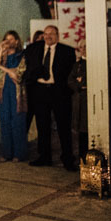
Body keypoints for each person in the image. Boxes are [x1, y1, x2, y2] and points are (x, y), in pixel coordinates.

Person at [23, 25, 77, 170]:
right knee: (42, 126)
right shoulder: (34, 49)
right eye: (46, 34)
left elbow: (71, 74)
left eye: (51, 34)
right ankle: (45, 157)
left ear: (58, 36)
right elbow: (27, 68)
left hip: (59, 92)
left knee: (63, 126)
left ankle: (67, 159)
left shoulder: (67, 51)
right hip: (40, 91)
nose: (48, 36)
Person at [0, 31, 27, 161]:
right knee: (5, 121)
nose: (9, 42)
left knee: (17, 122)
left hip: (17, 92)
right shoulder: (1, 54)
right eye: (6, 39)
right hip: (3, 91)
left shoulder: (22, 55)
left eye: (12, 39)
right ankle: (7, 153)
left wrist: (4, 69)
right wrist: (1, 52)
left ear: (17, 41)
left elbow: (18, 74)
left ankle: (19, 153)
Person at [68, 38, 89, 158]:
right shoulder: (77, 65)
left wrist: (80, 81)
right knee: (82, 132)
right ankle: (83, 158)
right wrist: (80, 85)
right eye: (82, 47)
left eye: (87, 46)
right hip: (80, 101)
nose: (84, 49)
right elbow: (71, 81)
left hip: (92, 101)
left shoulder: (97, 63)